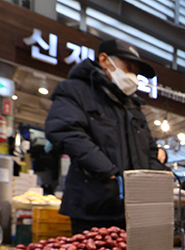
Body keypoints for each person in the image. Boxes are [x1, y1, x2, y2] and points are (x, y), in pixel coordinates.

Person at [45, 38, 164, 235]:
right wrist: (108, 172)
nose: (133, 76)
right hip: (93, 206)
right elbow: (65, 130)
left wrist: (153, 177)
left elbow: (149, 147)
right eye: (129, 68)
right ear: (104, 59)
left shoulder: (133, 105)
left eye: (136, 72)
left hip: (133, 210)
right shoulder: (75, 90)